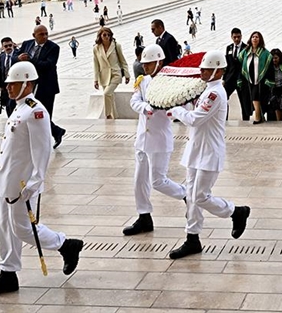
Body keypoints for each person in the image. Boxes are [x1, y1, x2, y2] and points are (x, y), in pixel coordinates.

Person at [0, 61, 84, 298]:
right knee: (5, 228)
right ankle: (8, 273)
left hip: (22, 184)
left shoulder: (36, 111)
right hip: (7, 179)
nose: (8, 88)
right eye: (8, 84)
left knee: (24, 230)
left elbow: (42, 150)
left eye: (13, 84)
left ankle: (66, 245)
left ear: (27, 83)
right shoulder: (18, 107)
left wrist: (36, 182)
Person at [166, 51, 251, 259]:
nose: (201, 72)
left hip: (209, 152)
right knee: (191, 197)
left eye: (205, 69)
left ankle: (235, 211)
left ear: (218, 71)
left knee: (199, 196)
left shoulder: (215, 94)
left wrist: (176, 111)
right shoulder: (206, 90)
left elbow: (195, 118)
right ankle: (192, 238)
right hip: (196, 150)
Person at [124, 44, 186, 235]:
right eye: (144, 64)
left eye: (149, 64)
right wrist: (145, 107)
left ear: (159, 62)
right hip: (143, 138)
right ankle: (144, 216)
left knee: (158, 180)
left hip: (159, 139)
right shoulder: (142, 81)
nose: (145, 67)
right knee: (139, 180)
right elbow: (134, 101)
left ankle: (187, 194)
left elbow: (175, 109)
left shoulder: (170, 82)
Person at [14, 25, 65, 148]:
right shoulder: (27, 44)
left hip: (46, 87)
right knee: (32, 110)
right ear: (34, 35)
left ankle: (48, 138)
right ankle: (56, 131)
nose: (45, 37)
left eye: (46, 34)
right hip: (29, 87)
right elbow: (16, 57)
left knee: (44, 113)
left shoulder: (53, 47)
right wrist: (18, 58)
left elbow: (48, 65)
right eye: (41, 34)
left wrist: (30, 61)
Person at [92, 27, 131, 119]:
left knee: (107, 94)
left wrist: (126, 74)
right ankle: (115, 118)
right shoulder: (96, 48)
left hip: (115, 74)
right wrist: (95, 80)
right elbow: (96, 65)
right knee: (110, 97)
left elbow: (123, 61)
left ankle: (108, 115)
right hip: (104, 76)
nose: (107, 37)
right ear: (100, 36)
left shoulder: (116, 46)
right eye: (104, 35)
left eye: (108, 35)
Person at [240, 31, 271, 124]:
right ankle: (260, 116)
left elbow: (269, 67)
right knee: (253, 98)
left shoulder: (265, 53)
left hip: (260, 80)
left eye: (257, 37)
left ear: (260, 39)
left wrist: (269, 81)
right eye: (253, 37)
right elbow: (240, 62)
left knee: (255, 98)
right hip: (249, 79)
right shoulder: (246, 51)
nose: (255, 38)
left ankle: (257, 118)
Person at [224, 28, 253, 121]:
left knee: (244, 100)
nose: (236, 39)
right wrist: (224, 78)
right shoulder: (229, 48)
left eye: (238, 37)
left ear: (241, 36)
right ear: (231, 37)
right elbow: (227, 64)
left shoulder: (246, 48)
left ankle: (246, 119)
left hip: (242, 78)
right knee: (223, 98)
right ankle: (224, 118)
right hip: (230, 78)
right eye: (235, 37)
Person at [0, 37, 18, 116]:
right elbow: (1, 71)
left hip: (16, 85)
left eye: (10, 45)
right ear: (2, 47)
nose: (8, 47)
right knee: (7, 106)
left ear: (13, 44)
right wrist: (1, 86)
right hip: (6, 86)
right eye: (6, 46)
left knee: (12, 105)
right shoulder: (2, 56)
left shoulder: (18, 55)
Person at [266, 49, 282, 121]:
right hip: (272, 89)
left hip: (281, 89)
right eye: (273, 58)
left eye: (276, 58)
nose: (274, 60)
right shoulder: (269, 67)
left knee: (280, 107)